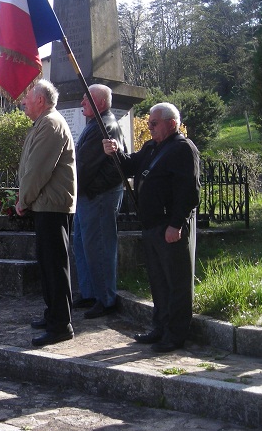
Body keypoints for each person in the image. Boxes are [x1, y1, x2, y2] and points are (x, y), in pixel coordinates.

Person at [103, 102, 200, 353]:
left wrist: (176, 224)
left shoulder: (182, 149)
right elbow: (130, 165)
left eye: (154, 123)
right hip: (152, 225)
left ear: (171, 123)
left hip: (170, 226)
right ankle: (160, 327)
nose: (150, 127)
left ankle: (175, 334)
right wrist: (114, 152)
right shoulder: (152, 147)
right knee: (158, 281)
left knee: (176, 281)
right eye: (148, 123)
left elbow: (189, 192)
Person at [15, 80, 77, 347]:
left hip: (52, 205)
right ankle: (53, 314)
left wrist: (23, 199)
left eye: (28, 98)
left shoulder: (51, 124)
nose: (24, 102)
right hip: (46, 204)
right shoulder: (43, 123)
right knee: (48, 264)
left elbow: (38, 169)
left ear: (40, 100)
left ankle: (61, 325)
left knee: (55, 266)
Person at [73, 84, 127, 319]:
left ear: (100, 103)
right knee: (83, 245)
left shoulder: (104, 126)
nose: (82, 102)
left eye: (87, 99)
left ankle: (105, 298)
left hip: (98, 195)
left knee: (100, 246)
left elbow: (85, 165)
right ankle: (90, 293)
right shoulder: (94, 124)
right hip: (88, 195)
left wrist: (75, 188)